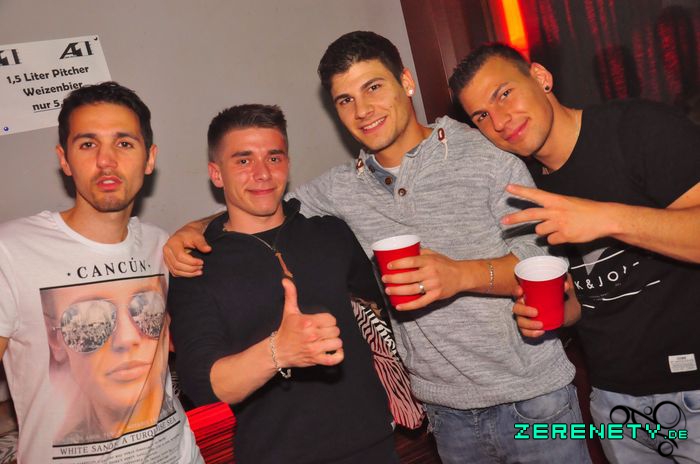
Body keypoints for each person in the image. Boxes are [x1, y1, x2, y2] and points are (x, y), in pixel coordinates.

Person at [165, 32, 590, 463]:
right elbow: (262, 200)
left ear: (406, 82)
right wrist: (193, 229)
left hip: (534, 398)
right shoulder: (341, 189)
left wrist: (460, 275)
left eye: (373, 87)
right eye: (345, 100)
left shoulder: (486, 155)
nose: (363, 110)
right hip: (446, 413)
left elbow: (546, 266)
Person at [450, 42, 700, 462]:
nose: (500, 121)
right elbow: (587, 297)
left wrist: (605, 218)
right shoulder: (525, 188)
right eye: (481, 116)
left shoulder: (637, 128)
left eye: (504, 93)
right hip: (614, 403)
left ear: (541, 77)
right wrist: (559, 312)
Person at [167, 104, 397, 463]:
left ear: (287, 164)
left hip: (374, 444)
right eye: (243, 161)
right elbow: (205, 385)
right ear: (216, 174)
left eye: (273, 158)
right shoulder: (197, 263)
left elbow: (381, 315)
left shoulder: (332, 234)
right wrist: (279, 351)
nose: (262, 173)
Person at [0, 82, 201, 462]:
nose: (106, 161)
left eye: (124, 143)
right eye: (88, 144)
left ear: (149, 158)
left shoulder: (161, 246)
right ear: (64, 159)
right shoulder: (10, 252)